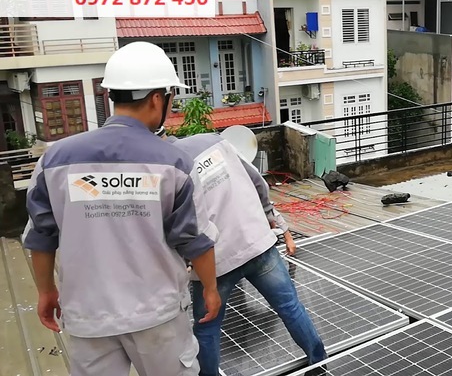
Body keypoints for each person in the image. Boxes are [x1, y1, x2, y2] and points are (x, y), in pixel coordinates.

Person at [23, 41, 222, 376]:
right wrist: (211, 289)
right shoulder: (174, 163)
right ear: (158, 99)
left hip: (88, 317)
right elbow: (195, 239)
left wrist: (46, 291)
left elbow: (41, 237)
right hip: (157, 315)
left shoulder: (53, 160)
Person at [157, 128, 327, 376]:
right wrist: (268, 213)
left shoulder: (165, 167)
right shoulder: (214, 141)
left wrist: (183, 259)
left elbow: (175, 225)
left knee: (207, 328)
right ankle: (318, 361)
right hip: (257, 242)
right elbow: (257, 180)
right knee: (289, 306)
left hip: (214, 261)